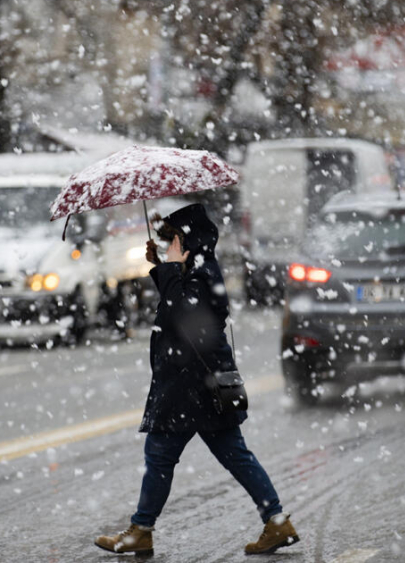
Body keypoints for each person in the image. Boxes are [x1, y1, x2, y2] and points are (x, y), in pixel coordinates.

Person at [95, 203, 298, 557]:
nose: (169, 245)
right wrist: (162, 266)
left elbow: (183, 313)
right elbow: (180, 305)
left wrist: (171, 268)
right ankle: (276, 522)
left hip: (190, 387)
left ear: (188, 240)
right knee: (233, 454)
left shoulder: (203, 274)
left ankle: (141, 530)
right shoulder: (199, 270)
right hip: (200, 384)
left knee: (160, 455)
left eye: (172, 239)